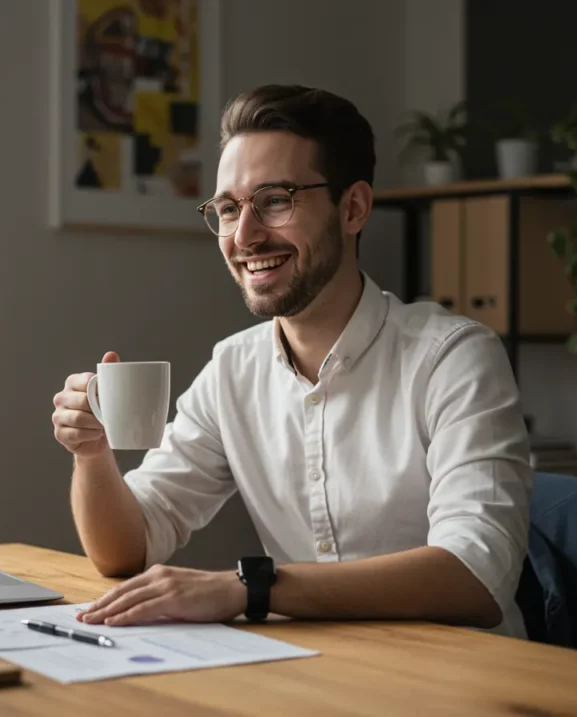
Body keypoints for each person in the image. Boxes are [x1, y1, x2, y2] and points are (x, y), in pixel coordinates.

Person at [51, 84, 533, 638]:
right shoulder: (232, 371)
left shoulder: (453, 357)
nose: (246, 236)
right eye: (229, 209)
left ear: (352, 208)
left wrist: (249, 589)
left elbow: (477, 574)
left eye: (275, 200)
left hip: (462, 680)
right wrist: (91, 454)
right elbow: (128, 548)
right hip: (314, 672)